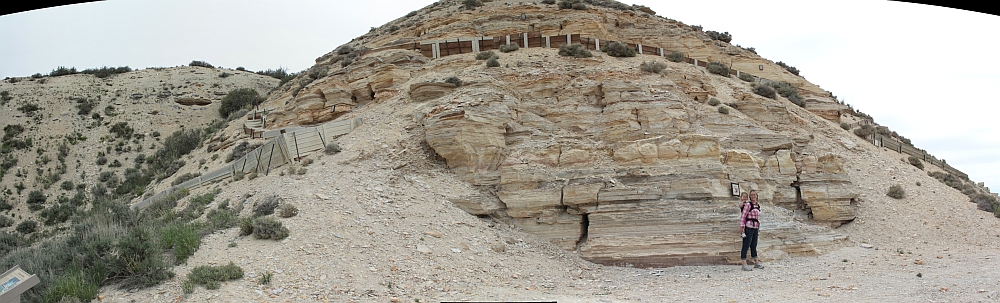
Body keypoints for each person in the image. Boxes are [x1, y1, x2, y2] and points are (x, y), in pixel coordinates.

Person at [739, 190, 763, 271]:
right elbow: (743, 215)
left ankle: (756, 262)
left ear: (756, 195)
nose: (753, 196)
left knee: (754, 244)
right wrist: (742, 226)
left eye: (754, 194)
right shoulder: (748, 205)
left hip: (755, 226)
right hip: (748, 226)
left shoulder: (757, 205)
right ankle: (744, 264)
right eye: (751, 195)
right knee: (746, 244)